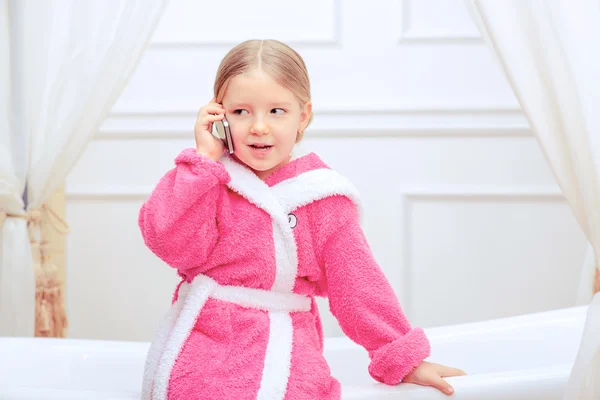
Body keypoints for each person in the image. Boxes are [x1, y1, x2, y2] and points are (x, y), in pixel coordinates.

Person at [138, 39, 465, 400]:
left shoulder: (321, 197)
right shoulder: (207, 181)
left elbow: (357, 285)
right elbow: (167, 242)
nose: (258, 126)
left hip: (285, 347)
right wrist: (201, 162)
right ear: (219, 115)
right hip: (205, 346)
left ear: (303, 115)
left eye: (276, 111)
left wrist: (402, 357)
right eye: (241, 112)